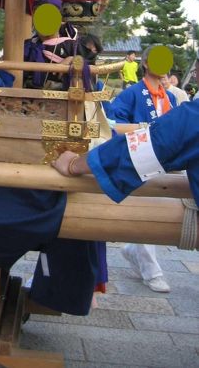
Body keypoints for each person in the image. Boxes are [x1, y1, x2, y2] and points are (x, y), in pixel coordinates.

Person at [104, 44, 178, 293]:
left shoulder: (172, 97)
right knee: (148, 213)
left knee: (155, 216)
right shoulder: (132, 94)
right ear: (146, 63)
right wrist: (141, 127)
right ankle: (152, 271)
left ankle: (134, 250)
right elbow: (112, 123)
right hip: (141, 158)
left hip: (166, 162)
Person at [51, 96, 199, 210]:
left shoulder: (185, 108)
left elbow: (150, 146)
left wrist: (74, 164)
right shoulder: (133, 92)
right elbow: (117, 116)